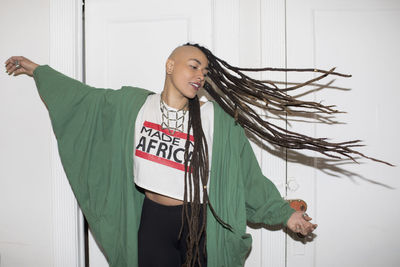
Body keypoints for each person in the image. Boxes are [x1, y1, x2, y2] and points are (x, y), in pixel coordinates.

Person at [5, 43, 335, 267]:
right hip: (152, 220)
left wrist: (284, 214)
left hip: (199, 223)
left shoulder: (215, 119)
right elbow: (84, 100)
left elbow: (247, 176)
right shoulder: (133, 105)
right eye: (194, 65)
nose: (199, 75)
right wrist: (38, 70)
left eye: (205, 71)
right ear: (170, 64)